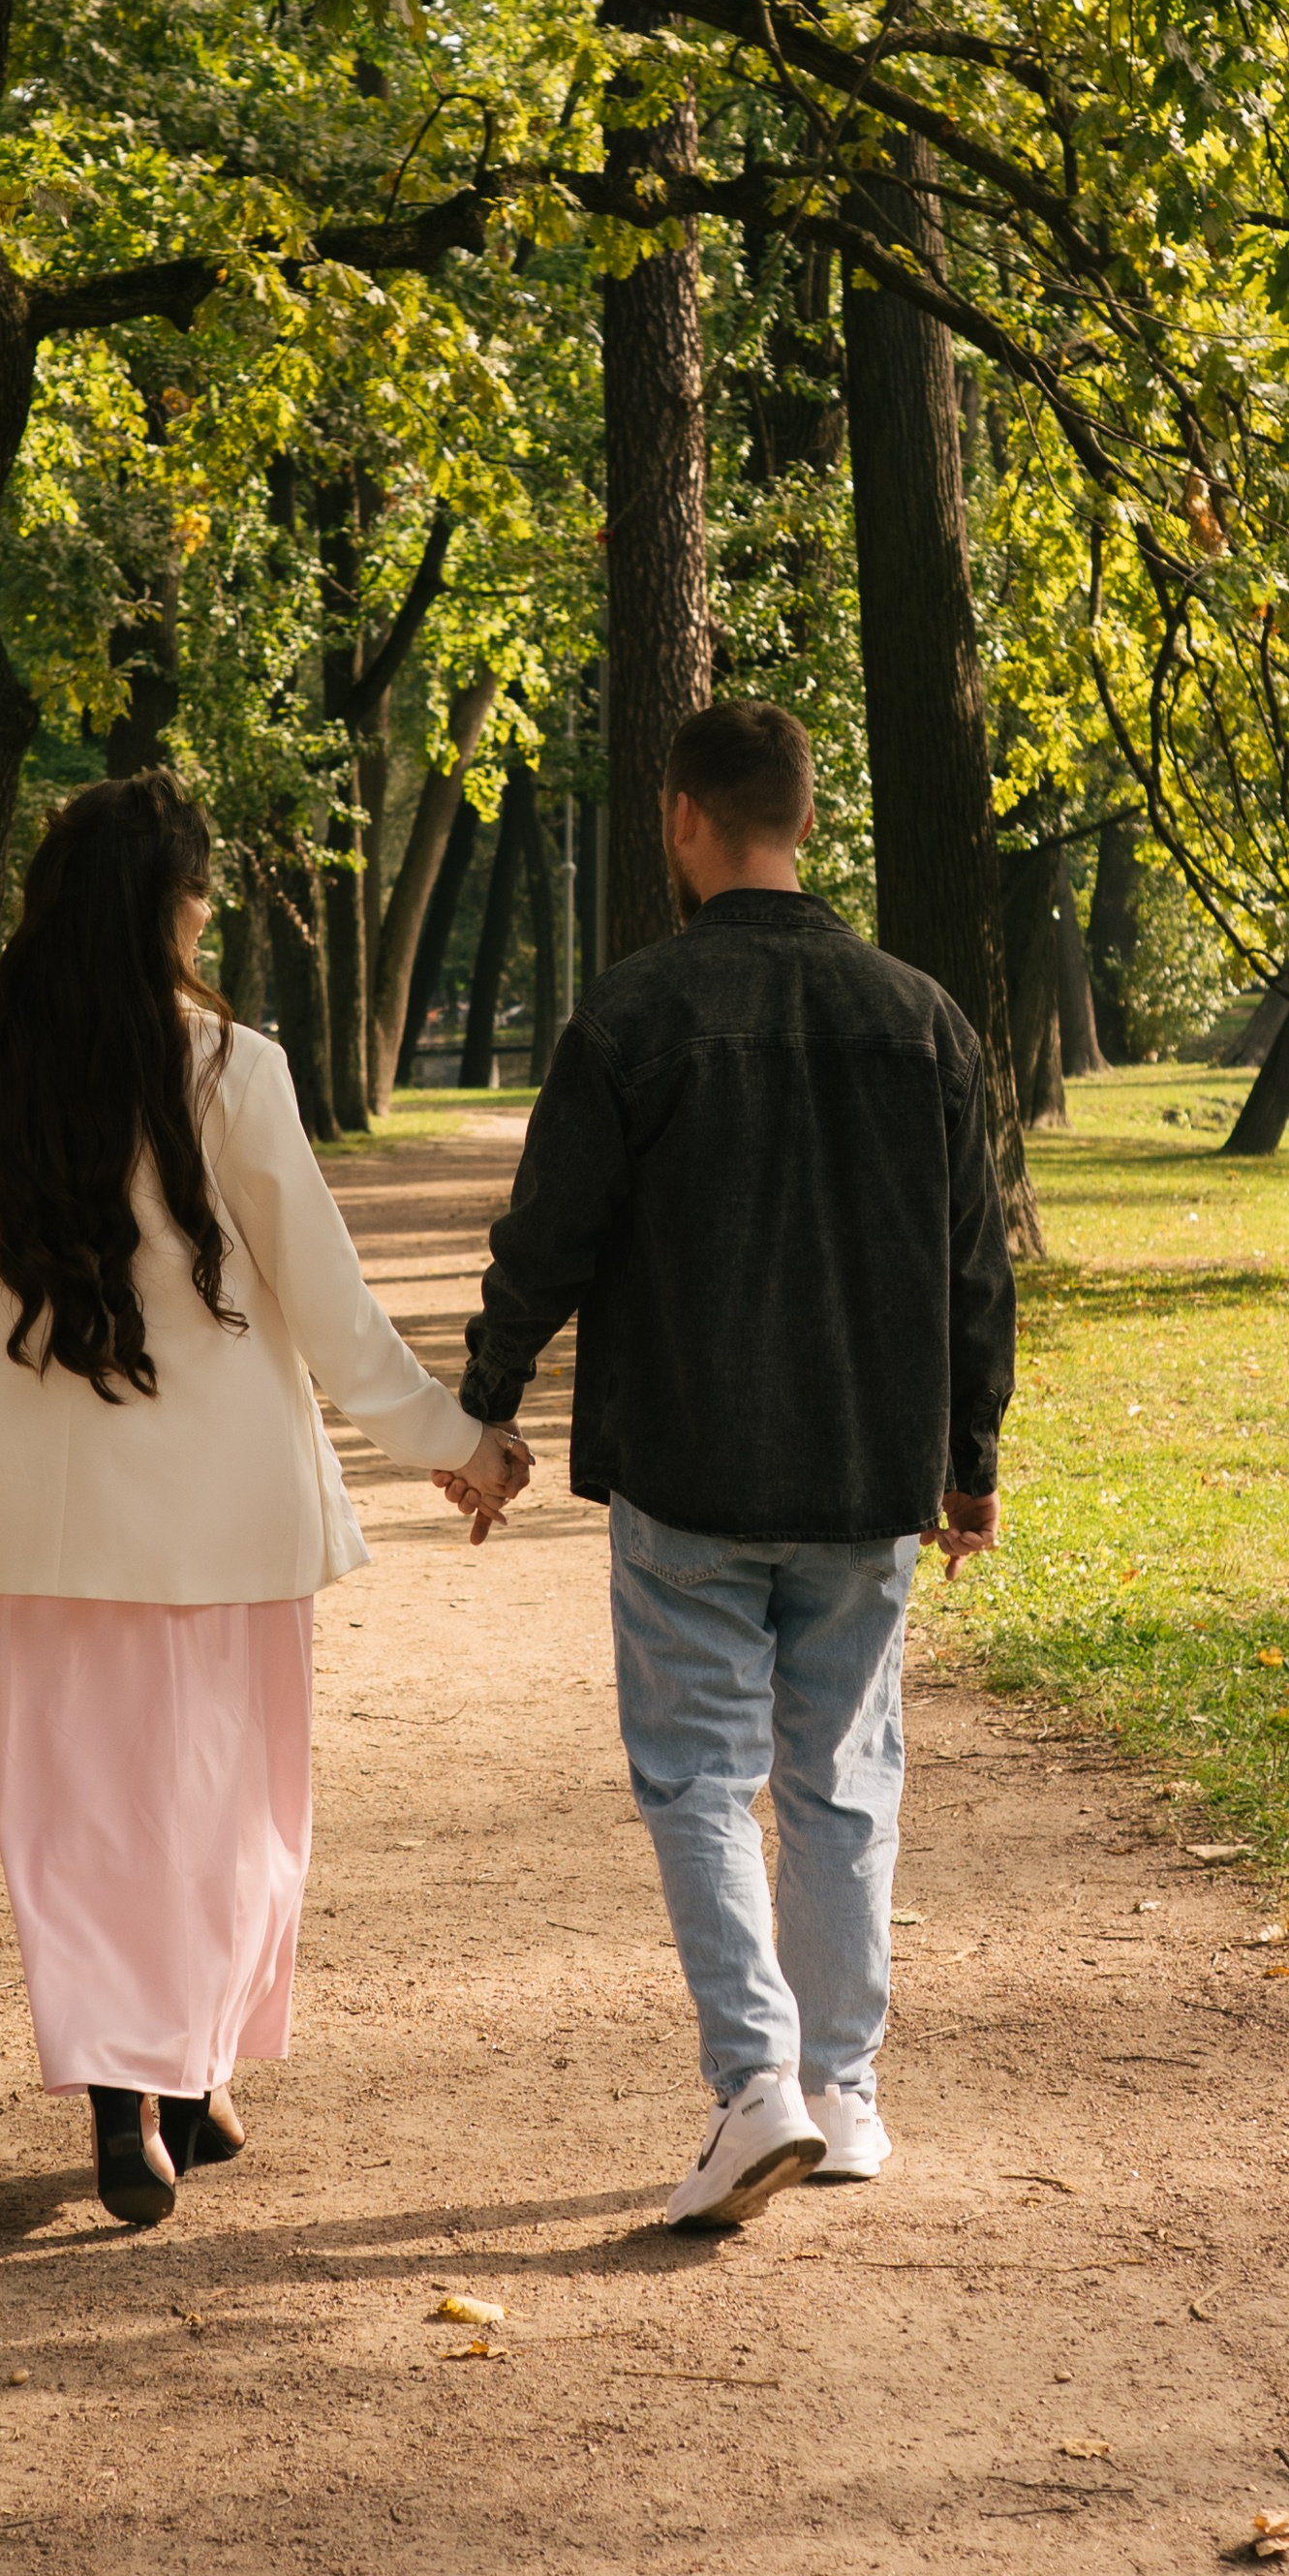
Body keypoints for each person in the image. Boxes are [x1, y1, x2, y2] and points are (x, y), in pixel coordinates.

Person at [0, 772, 529, 2228]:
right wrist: (453, 1440)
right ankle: (183, 2075)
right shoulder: (232, 1066)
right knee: (231, 1800)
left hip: (49, 1516)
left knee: (76, 1811)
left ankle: (139, 2087)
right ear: (168, 908)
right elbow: (329, 1297)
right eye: (199, 896)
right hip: (224, 1510)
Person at [449, 698, 1016, 2231]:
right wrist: (970, 1461)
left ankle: (756, 2081)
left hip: (690, 1469)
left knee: (700, 1776)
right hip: (862, 1470)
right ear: (807, 822)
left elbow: (548, 1237)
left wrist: (483, 1413)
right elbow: (976, 1266)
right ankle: (844, 2094)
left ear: (684, 819)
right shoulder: (922, 1019)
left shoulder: (632, 1016)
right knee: (843, 1781)